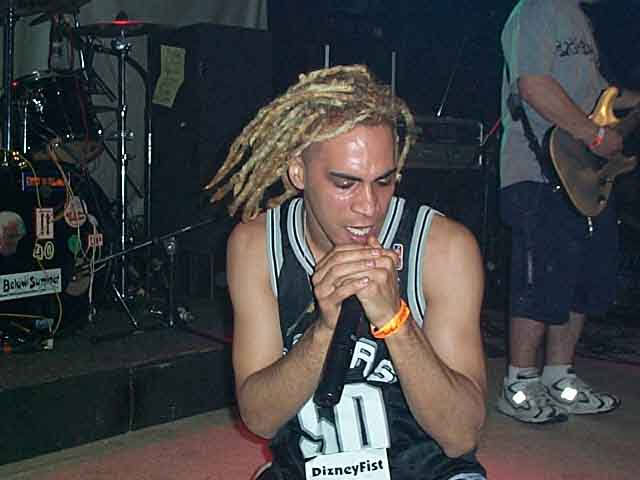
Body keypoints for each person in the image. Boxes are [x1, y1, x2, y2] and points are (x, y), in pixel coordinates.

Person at [206, 65, 488, 479]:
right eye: (345, 184)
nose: (369, 207)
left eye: (384, 181)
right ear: (298, 171)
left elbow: (461, 437)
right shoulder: (257, 247)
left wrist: (395, 321)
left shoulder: (442, 248)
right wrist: (323, 330)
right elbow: (260, 419)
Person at [498, 0, 640, 424]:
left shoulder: (579, 19)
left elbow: (597, 94)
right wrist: (595, 137)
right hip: (537, 167)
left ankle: (559, 376)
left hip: (582, 175)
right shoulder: (535, 10)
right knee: (539, 278)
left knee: (579, 277)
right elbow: (533, 85)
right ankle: (520, 382)